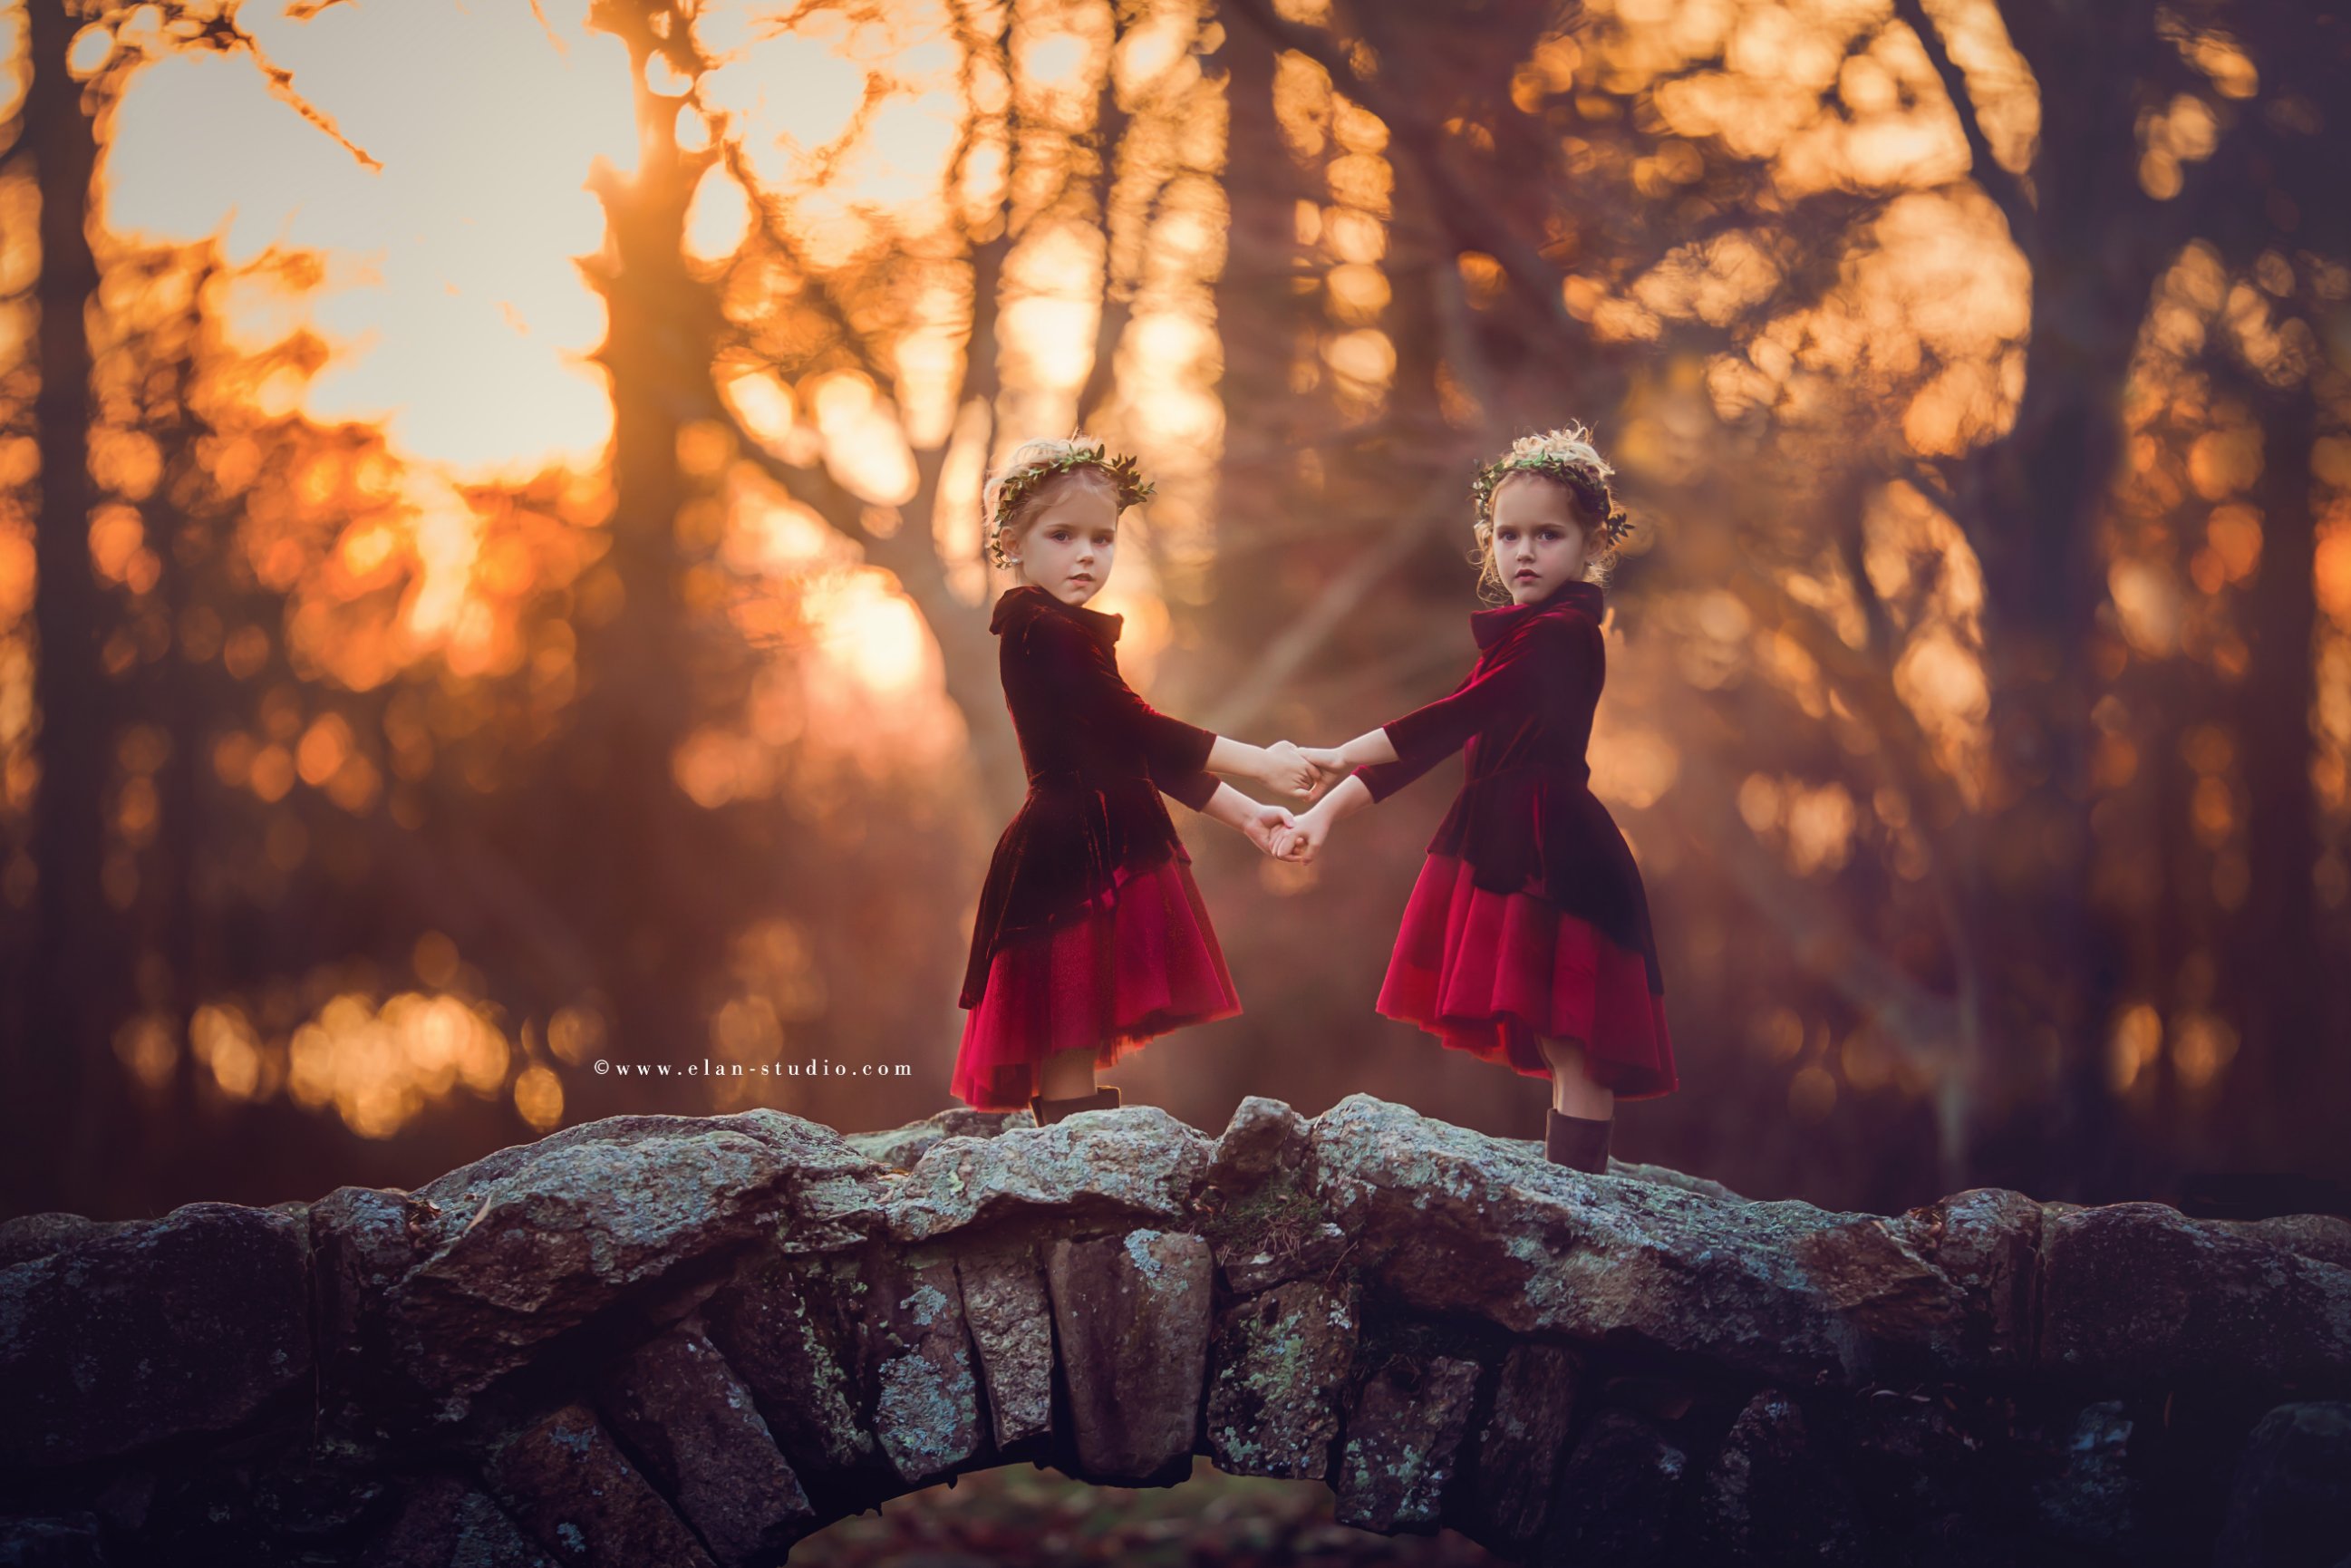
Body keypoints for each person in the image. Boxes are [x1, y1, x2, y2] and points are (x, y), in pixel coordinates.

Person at [1272, 425, 1679, 1172]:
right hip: (1512, 842)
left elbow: (1445, 719)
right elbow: (1436, 740)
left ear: (1590, 544)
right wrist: (1323, 811)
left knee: (1576, 1045)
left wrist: (1338, 752)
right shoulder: (1520, 638)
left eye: (1548, 534)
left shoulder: (1564, 634)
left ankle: (1582, 1205)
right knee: (1562, 1047)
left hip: (1558, 854)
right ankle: (1574, 1198)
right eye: (1508, 533)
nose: (1524, 552)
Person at [954, 436, 1315, 1124]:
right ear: (1014, 542)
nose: (1087, 554)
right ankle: (1075, 1171)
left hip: (1107, 835)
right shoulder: (1035, 627)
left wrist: (1246, 815)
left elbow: (1132, 752)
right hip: (1067, 850)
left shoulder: (1069, 629)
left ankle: (1087, 1162)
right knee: (1067, 1029)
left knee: (1080, 1030)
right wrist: (1260, 761)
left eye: (1103, 538)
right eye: (1062, 536)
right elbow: (1136, 725)